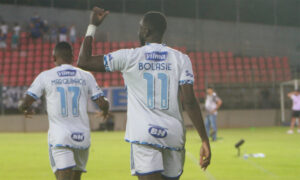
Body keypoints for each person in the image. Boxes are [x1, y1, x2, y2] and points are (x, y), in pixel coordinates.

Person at [77, 7, 211, 180]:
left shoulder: (130, 57)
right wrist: (204, 139)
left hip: (144, 134)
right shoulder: (181, 59)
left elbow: (83, 61)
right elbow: (190, 102)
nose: (138, 30)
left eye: (140, 27)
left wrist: (92, 26)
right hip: (173, 134)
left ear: (146, 30)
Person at [18, 42, 110, 180]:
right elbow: (102, 103)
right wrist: (105, 110)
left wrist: (23, 108)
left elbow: (25, 102)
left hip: (60, 136)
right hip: (82, 138)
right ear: (72, 57)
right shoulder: (86, 76)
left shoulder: (46, 76)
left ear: (54, 58)